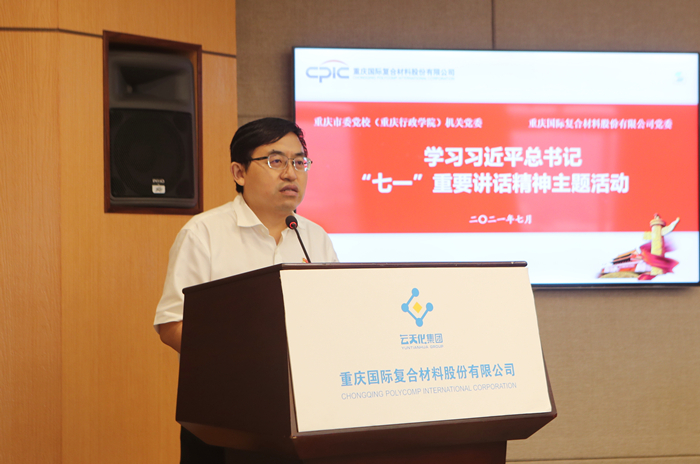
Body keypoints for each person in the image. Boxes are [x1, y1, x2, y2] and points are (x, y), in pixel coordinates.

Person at [154, 117, 339, 463]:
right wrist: (244, 359)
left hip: (303, 414)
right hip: (223, 417)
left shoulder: (315, 238)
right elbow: (172, 325)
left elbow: (335, 320)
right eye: (276, 161)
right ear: (239, 172)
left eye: (299, 162)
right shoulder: (204, 234)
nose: (291, 173)